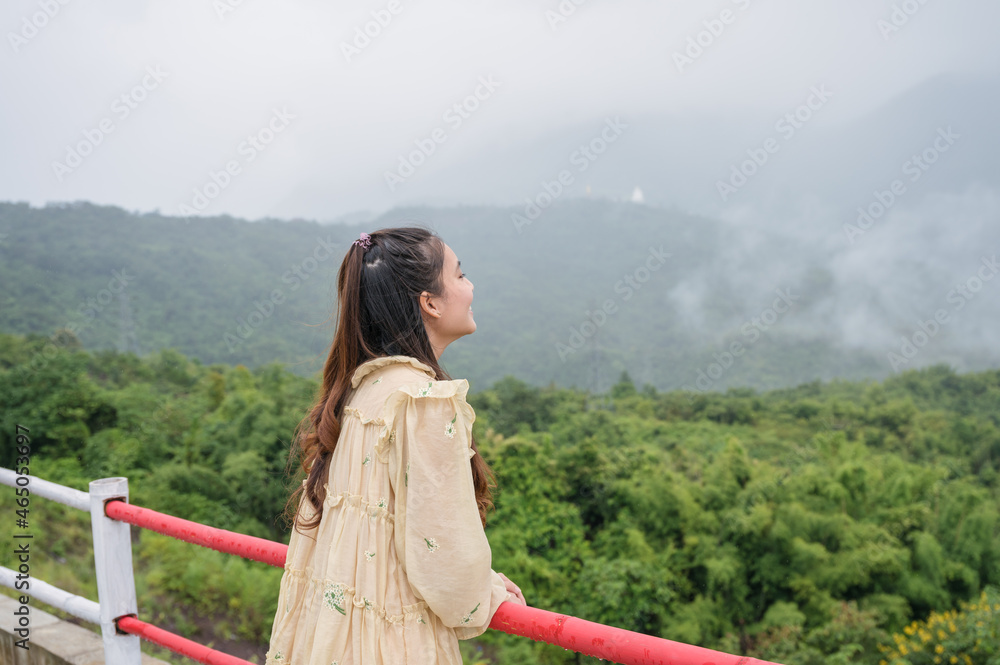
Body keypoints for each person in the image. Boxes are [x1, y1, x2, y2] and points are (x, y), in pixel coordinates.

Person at [265, 227, 525, 665]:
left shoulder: (358, 392)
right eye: (460, 276)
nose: (471, 287)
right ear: (430, 302)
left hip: (336, 636)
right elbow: (442, 547)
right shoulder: (421, 400)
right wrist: (488, 593)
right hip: (391, 644)